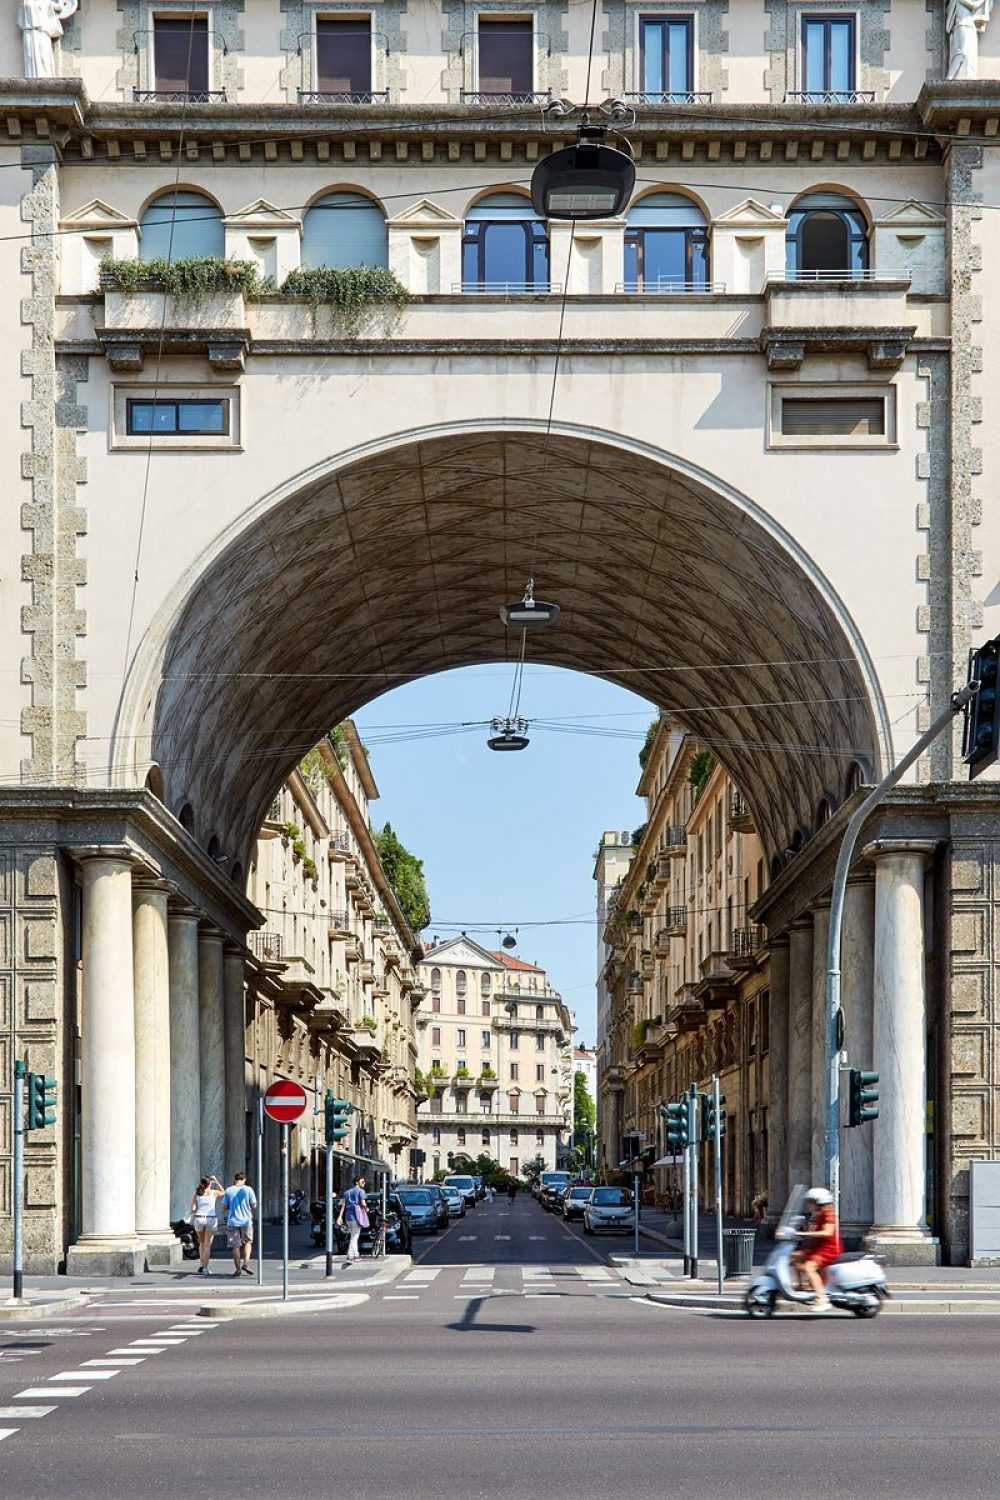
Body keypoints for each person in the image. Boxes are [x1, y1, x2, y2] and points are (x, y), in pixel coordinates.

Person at [791, 1187, 842, 1312]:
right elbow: (813, 1230)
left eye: (811, 1202)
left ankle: (822, 1298)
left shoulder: (828, 1215)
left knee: (809, 1267)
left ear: (819, 1203)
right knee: (796, 1256)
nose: (809, 1205)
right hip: (819, 1247)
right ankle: (801, 1286)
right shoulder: (820, 1215)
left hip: (829, 1249)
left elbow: (827, 1232)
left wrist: (805, 1235)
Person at [218, 1170, 258, 1277]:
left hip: (232, 1221)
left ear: (234, 1180)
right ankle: (246, 1264)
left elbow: (225, 1207)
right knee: (248, 1242)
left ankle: (237, 1270)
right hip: (246, 1221)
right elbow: (254, 1206)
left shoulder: (228, 1190)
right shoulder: (248, 1190)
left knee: (235, 1246)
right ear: (244, 1180)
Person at [190, 1175, 224, 1275]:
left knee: (201, 1243)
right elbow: (223, 1192)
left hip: (199, 1218)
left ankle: (201, 1264)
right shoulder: (213, 1193)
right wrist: (216, 1181)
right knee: (207, 1244)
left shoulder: (198, 1193)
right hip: (211, 1218)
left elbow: (192, 1208)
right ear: (210, 1183)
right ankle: (205, 1267)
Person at [337, 1175, 369, 1263]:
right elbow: (363, 1203)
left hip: (348, 1217)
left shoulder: (347, 1192)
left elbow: (343, 1205)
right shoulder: (361, 1191)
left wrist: (340, 1217)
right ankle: (350, 1256)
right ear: (357, 1182)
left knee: (353, 1236)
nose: (364, 1183)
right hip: (357, 1217)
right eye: (362, 1182)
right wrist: (367, 1208)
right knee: (354, 1237)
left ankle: (356, 1255)